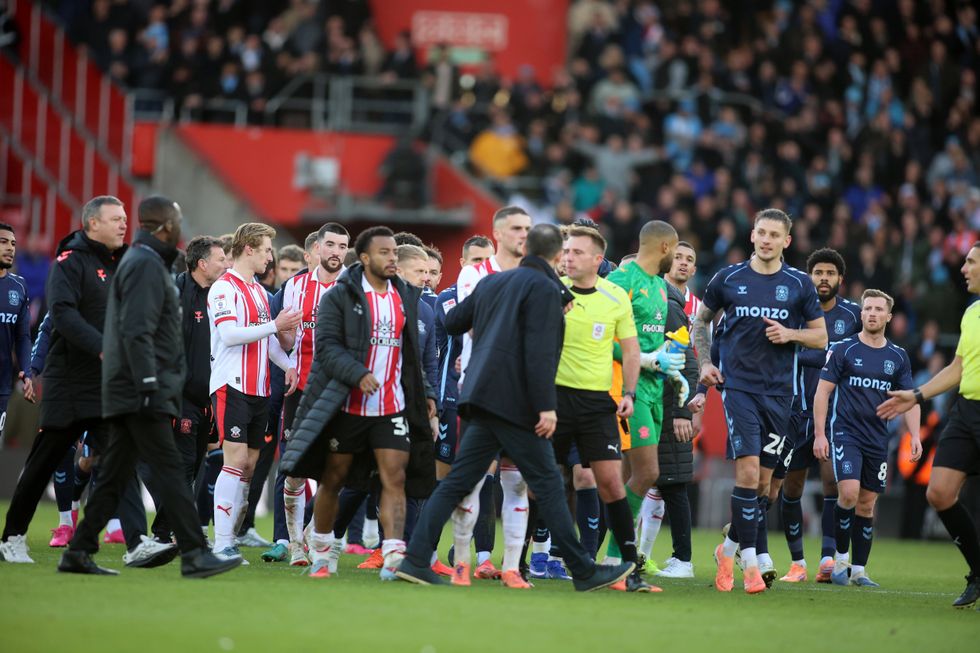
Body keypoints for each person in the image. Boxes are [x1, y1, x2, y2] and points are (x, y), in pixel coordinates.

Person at [394, 223, 634, 591]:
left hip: (476, 394)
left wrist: (489, 329)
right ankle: (583, 570)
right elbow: (540, 352)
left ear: (526, 251)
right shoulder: (545, 290)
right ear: (556, 257)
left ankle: (414, 559)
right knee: (550, 485)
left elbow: (453, 321)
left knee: (458, 481)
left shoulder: (492, 281)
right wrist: (546, 406)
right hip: (515, 403)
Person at [57, 196, 240, 579]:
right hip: (141, 389)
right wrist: (149, 383)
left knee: (113, 475)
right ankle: (194, 553)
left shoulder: (144, 262)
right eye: (177, 218)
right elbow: (138, 330)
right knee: (172, 468)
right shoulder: (144, 265)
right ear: (165, 225)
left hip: (132, 387)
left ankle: (79, 551)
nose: (180, 224)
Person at [279, 226, 437, 580]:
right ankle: (321, 553)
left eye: (395, 252)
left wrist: (426, 394)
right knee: (334, 479)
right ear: (365, 258)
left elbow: (410, 353)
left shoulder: (405, 296)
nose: (392, 258)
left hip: (391, 405)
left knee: (394, 477)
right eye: (384, 252)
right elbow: (328, 347)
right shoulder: (339, 296)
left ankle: (394, 555)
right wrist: (357, 374)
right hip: (348, 404)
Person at [0, 196, 149, 565]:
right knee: (43, 462)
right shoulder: (69, 263)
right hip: (68, 383)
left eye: (125, 218)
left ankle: (136, 542)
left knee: (119, 457)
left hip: (104, 384)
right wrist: (102, 348)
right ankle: (12, 537)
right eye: (115, 218)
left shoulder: (120, 266)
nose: (123, 224)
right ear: (91, 224)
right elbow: (61, 316)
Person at [692, 208, 827, 594]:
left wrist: (790, 334)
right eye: (761, 233)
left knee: (767, 489)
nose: (766, 240)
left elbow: (820, 338)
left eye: (775, 235)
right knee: (748, 476)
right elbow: (701, 321)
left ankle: (727, 548)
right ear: (752, 236)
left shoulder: (799, 285)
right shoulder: (728, 278)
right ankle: (750, 567)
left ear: (787, 241)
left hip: (780, 393)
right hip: (739, 390)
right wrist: (704, 363)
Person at [877, 243, 980, 608]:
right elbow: (958, 368)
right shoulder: (972, 313)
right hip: (966, 412)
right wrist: (916, 395)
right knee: (938, 493)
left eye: (970, 262)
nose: (964, 268)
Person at [554, 226, 652, 592]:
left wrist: (628, 392)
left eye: (577, 252)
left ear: (598, 260)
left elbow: (630, 349)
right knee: (542, 484)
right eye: (566, 251)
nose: (568, 257)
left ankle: (628, 568)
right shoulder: (551, 289)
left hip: (597, 403)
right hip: (554, 399)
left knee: (610, 483)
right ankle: (521, 563)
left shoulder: (615, 296)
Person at [813, 289, 920, 588]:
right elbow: (823, 391)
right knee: (847, 493)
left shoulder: (897, 357)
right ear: (861, 314)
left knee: (866, 504)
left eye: (878, 309)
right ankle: (840, 560)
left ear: (888, 316)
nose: (872, 313)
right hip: (846, 433)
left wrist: (915, 436)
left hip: (877, 438)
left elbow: (911, 398)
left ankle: (859, 570)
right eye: (867, 308)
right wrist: (820, 434)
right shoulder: (844, 350)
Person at [207, 223, 300, 561]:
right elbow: (230, 334)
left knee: (250, 464)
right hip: (232, 385)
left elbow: (268, 340)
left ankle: (231, 535)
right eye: (265, 250)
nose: (270, 257)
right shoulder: (223, 288)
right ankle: (221, 543)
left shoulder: (260, 292)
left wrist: (286, 363)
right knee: (235, 462)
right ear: (248, 249)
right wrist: (275, 326)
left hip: (260, 388)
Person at [772, 248, 861, 583]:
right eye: (818, 273)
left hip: (837, 416)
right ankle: (798, 563)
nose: (824, 279)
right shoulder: (794, 312)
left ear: (840, 279)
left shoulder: (852, 315)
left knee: (832, 484)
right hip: (796, 412)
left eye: (830, 273)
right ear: (809, 277)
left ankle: (827, 559)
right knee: (791, 486)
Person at [602, 220, 686, 566]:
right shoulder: (621, 281)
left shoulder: (660, 288)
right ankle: (616, 556)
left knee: (624, 477)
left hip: (653, 391)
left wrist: (673, 369)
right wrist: (650, 360)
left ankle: (610, 557)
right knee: (648, 472)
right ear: (665, 248)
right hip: (624, 389)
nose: (678, 259)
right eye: (677, 251)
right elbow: (603, 338)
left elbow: (652, 339)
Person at [267, 223, 349, 568]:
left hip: (343, 393)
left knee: (338, 470)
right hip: (301, 391)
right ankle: (296, 546)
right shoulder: (295, 286)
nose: (336, 252)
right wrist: (287, 362)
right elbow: (277, 337)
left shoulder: (355, 285)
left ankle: (313, 538)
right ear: (316, 248)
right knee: (295, 471)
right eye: (330, 244)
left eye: (343, 246)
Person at [432, 235, 498, 577]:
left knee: (487, 479)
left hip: (488, 402)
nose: (481, 268)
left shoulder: (502, 299)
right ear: (461, 264)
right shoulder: (445, 301)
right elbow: (440, 355)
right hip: (451, 403)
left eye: (487, 261)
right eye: (475, 261)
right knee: (445, 482)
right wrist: (438, 401)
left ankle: (483, 557)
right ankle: (429, 554)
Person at [637, 240, 701, 579]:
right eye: (678, 256)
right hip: (650, 397)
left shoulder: (696, 306)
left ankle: (678, 558)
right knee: (650, 481)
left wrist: (690, 410)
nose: (683, 263)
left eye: (689, 259)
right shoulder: (651, 292)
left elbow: (698, 360)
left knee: (669, 480)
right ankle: (639, 554)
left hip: (672, 399)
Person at [0, 222, 34, 443]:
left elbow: (23, 337)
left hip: (2, 386)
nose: (10, 248)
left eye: (13, 243)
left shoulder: (18, 287)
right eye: (3, 242)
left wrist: (27, 371)